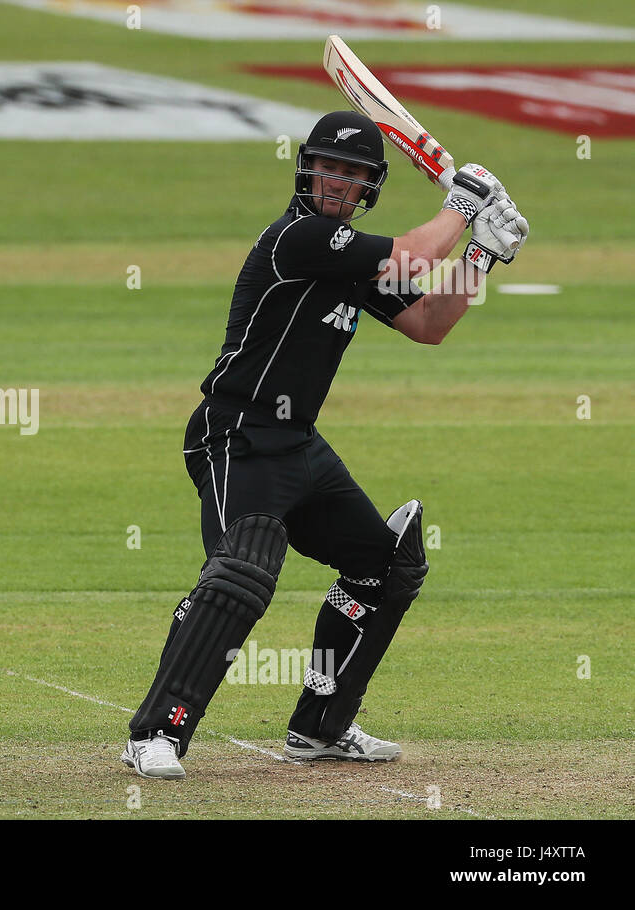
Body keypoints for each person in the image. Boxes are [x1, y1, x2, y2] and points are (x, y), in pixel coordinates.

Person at [121, 111, 529, 780]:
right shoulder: (301, 238)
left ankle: (321, 727)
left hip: (297, 444)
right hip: (237, 436)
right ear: (306, 169)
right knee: (244, 568)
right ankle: (155, 733)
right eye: (328, 168)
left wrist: (482, 253)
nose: (338, 182)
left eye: (355, 174)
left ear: (370, 184)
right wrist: (462, 204)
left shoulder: (355, 259)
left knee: (382, 567)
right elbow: (417, 253)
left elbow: (429, 322)